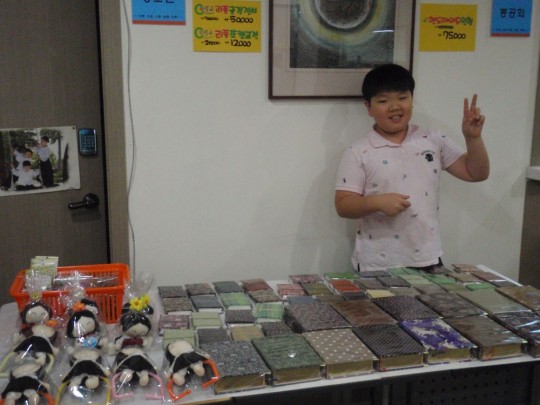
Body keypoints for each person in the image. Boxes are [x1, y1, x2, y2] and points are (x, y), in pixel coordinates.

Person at [334, 64, 489, 272]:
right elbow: (343, 205)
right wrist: (376, 202)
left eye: (402, 98)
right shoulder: (358, 151)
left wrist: (473, 138)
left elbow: (476, 173)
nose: (394, 106)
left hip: (428, 258)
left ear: (412, 100)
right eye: (383, 101)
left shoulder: (433, 139)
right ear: (368, 107)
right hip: (377, 264)